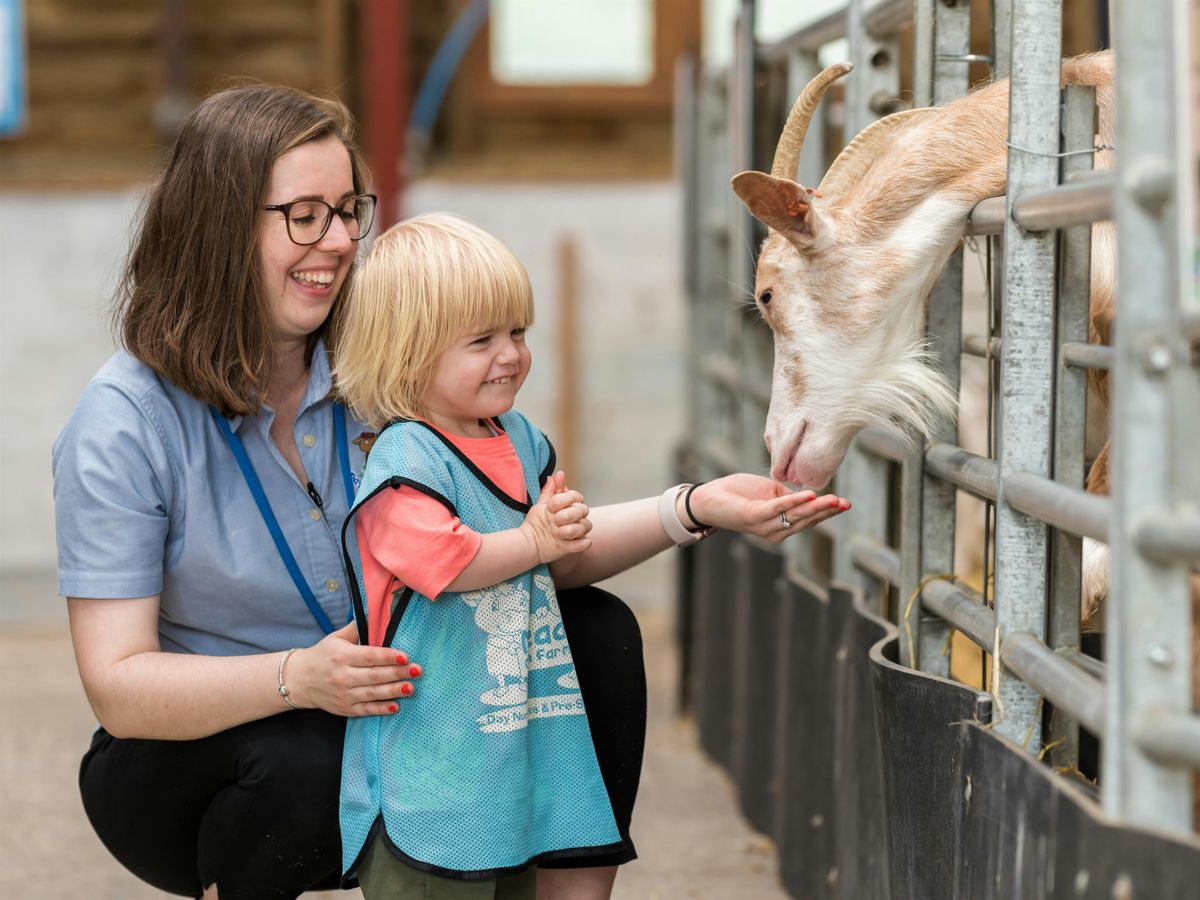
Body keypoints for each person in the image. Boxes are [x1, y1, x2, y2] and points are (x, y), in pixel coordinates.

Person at [50, 82, 846, 900]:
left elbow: (519, 554)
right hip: (196, 748)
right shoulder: (124, 423)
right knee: (303, 761)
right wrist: (297, 677)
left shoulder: (386, 368)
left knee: (595, 634)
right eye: (303, 216)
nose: (337, 242)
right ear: (219, 224)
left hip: (375, 694)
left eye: (349, 209)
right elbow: (120, 688)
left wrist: (695, 507)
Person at [330, 213, 851, 900]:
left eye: (517, 331)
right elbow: (448, 563)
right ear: (406, 354)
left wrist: (699, 507)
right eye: (481, 340)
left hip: (511, 761)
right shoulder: (405, 459)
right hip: (433, 780)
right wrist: (536, 540)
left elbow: (559, 560)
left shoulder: (518, 440)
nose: (511, 354)